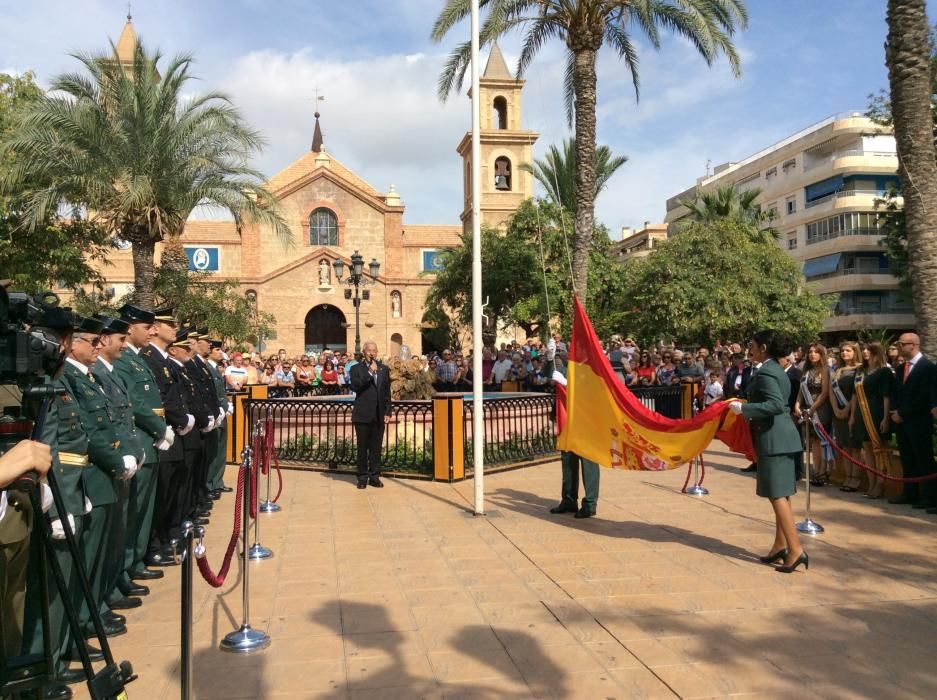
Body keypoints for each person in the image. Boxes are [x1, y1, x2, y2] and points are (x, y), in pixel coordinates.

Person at [728, 330, 808, 573]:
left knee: (776, 495)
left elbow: (774, 405)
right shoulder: (774, 368)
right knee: (782, 494)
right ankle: (780, 546)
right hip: (779, 437)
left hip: (775, 438)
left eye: (752, 345)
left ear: (763, 347)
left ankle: (796, 550)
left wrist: (745, 409)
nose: (749, 349)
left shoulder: (767, 372)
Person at [888, 333, 937, 511]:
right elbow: (896, 393)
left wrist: (903, 413)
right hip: (901, 422)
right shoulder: (901, 368)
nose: (899, 348)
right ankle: (910, 493)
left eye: (902, 344)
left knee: (923, 459)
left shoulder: (928, 368)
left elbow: (924, 397)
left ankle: (929, 497)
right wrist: (894, 411)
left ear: (913, 345)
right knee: (907, 458)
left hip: (918, 421)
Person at [849, 342, 895, 500]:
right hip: (861, 413)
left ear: (877, 352)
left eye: (869, 350)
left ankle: (881, 483)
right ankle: (871, 482)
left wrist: (885, 417)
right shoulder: (860, 371)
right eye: (864, 350)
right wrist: (852, 416)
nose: (865, 352)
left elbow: (886, 396)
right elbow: (855, 394)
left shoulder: (884, 372)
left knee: (879, 448)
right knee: (866, 449)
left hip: (876, 412)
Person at [350, 341, 392, 489]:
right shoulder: (356, 369)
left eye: (374, 350)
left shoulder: (383, 369)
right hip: (362, 414)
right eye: (369, 351)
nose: (372, 353)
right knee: (362, 447)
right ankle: (362, 477)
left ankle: (374, 476)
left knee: (376, 448)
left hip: (379, 414)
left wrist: (388, 412)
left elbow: (386, 392)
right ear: (364, 352)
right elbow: (355, 386)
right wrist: (369, 373)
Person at [794, 344, 833, 487]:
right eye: (810, 351)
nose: (812, 354)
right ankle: (815, 470)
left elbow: (824, 393)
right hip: (807, 408)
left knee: (821, 440)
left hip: (821, 409)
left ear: (822, 354)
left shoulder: (826, 370)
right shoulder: (806, 370)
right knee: (813, 442)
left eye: (816, 352)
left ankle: (822, 472)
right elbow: (801, 391)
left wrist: (812, 408)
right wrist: (797, 404)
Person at [831, 341, 862, 492]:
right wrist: (836, 409)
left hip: (853, 412)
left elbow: (857, 393)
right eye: (842, 351)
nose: (844, 353)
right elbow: (831, 391)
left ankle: (855, 479)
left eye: (848, 350)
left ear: (855, 352)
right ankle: (848, 476)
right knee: (845, 447)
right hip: (838, 413)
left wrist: (848, 409)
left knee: (855, 447)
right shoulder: (837, 370)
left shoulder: (859, 369)